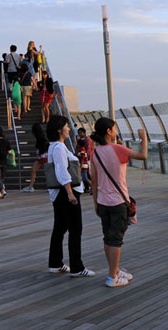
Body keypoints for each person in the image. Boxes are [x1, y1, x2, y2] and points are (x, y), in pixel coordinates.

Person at [90, 118, 147, 288]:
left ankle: (114, 271)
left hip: (102, 201)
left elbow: (94, 180)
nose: (116, 131)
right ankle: (111, 277)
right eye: (114, 128)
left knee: (108, 237)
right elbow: (143, 155)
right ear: (108, 131)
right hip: (118, 202)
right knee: (115, 240)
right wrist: (144, 138)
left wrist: (95, 203)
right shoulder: (118, 149)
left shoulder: (95, 152)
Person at [45, 115, 95, 277]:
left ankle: (55, 263)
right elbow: (62, 171)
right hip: (66, 193)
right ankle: (77, 267)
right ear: (59, 130)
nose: (69, 129)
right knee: (75, 229)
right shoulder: (59, 148)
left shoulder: (54, 146)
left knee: (60, 228)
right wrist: (70, 193)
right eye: (66, 126)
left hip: (60, 193)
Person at [23, 122, 49, 192]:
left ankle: (31, 186)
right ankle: (32, 186)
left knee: (34, 170)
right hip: (45, 156)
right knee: (46, 171)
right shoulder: (42, 137)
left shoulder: (40, 139)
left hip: (42, 156)